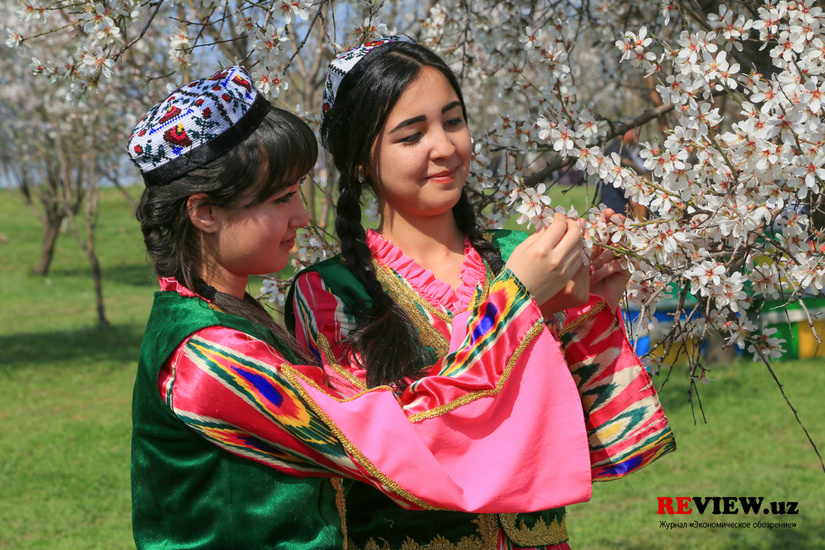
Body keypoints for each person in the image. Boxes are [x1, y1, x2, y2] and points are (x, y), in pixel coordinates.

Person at [127, 66, 609, 549]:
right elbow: (394, 437)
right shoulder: (207, 358)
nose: (300, 216)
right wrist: (514, 305)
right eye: (281, 198)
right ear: (205, 212)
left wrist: (581, 308)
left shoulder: (228, 320)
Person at [288, 37, 675, 550]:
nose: (445, 147)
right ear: (362, 160)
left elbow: (592, 439)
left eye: (452, 121)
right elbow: (390, 446)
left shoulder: (523, 254)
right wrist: (518, 304)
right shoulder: (329, 294)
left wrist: (591, 309)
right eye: (411, 135)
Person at [596, 127, 649, 219]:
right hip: (618, 206)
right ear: (620, 134)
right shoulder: (614, 150)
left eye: (636, 129)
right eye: (631, 129)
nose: (635, 132)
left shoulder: (640, 150)